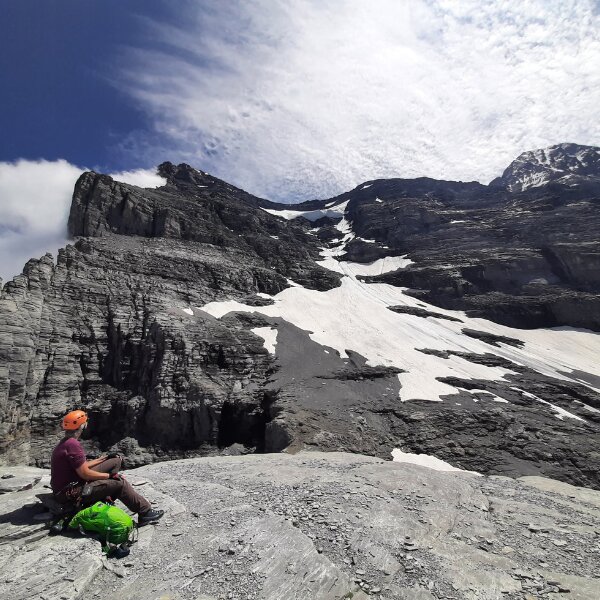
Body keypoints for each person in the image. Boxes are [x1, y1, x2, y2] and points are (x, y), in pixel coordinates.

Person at [51, 410, 164, 525]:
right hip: (69, 493)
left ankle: (104, 495)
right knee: (119, 483)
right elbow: (84, 473)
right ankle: (145, 512)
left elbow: (82, 466)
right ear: (82, 426)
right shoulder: (73, 445)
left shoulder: (66, 442)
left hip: (70, 485)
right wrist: (109, 476)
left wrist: (103, 459)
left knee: (115, 461)